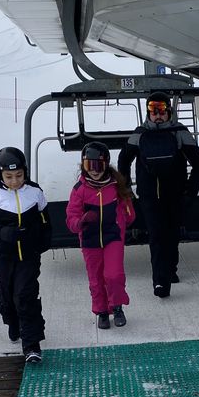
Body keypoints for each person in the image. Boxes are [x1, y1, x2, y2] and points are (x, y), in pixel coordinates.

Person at [117, 91, 199, 298]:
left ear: (169, 111)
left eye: (162, 110)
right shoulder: (140, 134)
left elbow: (198, 163)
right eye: (153, 110)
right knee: (156, 236)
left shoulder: (179, 132)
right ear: (148, 112)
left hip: (176, 196)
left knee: (172, 234)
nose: (157, 115)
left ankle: (170, 270)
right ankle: (160, 281)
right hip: (149, 197)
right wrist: (127, 190)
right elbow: (124, 160)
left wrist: (190, 191)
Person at [0, 147, 51, 363]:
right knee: (8, 295)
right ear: (0, 174)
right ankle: (12, 322)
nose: (15, 181)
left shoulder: (34, 191)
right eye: (9, 177)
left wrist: (43, 241)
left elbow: (45, 218)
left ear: (25, 171)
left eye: (19, 175)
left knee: (25, 295)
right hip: (5, 255)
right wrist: (2, 232)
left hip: (29, 255)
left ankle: (32, 345)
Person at [66, 141, 135, 329]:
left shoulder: (115, 186)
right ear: (83, 165)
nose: (94, 170)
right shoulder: (79, 190)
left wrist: (124, 219)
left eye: (99, 165)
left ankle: (117, 306)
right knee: (96, 279)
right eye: (89, 165)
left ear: (106, 165)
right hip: (91, 240)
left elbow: (128, 210)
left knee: (114, 275)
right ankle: (102, 311)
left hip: (113, 237)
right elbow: (71, 217)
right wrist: (80, 223)